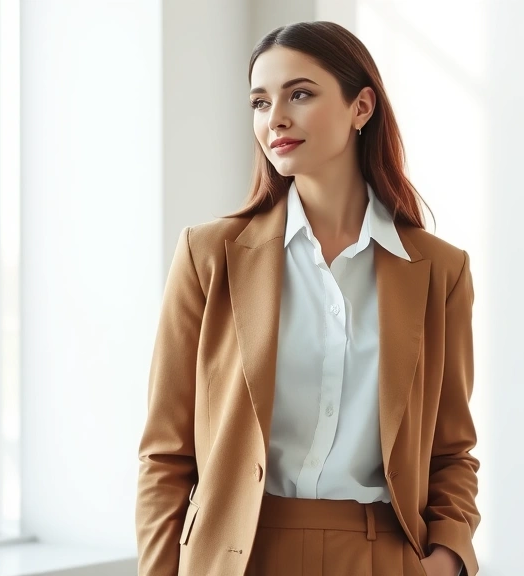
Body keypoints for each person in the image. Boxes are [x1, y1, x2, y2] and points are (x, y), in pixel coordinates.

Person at [136, 20, 479, 576]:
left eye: (299, 94)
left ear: (361, 107)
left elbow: (451, 450)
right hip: (239, 556)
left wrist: (445, 560)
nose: (275, 118)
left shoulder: (440, 271)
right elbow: (165, 455)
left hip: (382, 555)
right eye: (260, 102)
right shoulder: (209, 255)